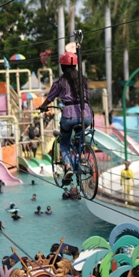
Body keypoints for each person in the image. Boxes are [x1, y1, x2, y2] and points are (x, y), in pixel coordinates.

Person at [39, 50, 93, 185]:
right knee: (80, 133)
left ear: (62, 66)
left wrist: (42, 107)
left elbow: (50, 98)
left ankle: (68, 167)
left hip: (69, 115)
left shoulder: (60, 82)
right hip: (85, 114)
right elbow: (88, 97)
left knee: (64, 142)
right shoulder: (83, 80)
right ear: (75, 65)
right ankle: (82, 157)